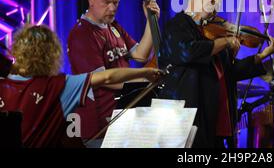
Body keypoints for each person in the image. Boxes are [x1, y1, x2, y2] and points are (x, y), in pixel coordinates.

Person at [158, 0, 274, 148]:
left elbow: (230, 73)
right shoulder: (177, 25)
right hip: (191, 121)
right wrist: (225, 41)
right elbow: (188, 52)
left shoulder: (214, 32)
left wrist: (263, 54)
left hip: (217, 122)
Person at [0, 25, 162, 147]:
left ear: (17, 52)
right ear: (52, 54)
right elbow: (107, 77)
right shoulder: (60, 85)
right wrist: (144, 73)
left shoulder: (3, 85)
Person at [67, 0, 160, 145]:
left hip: (122, 117)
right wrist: (143, 79)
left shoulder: (113, 26)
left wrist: (150, 21)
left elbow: (141, 54)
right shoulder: (82, 34)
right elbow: (105, 79)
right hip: (100, 123)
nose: (112, 8)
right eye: (106, 3)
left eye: (116, 3)